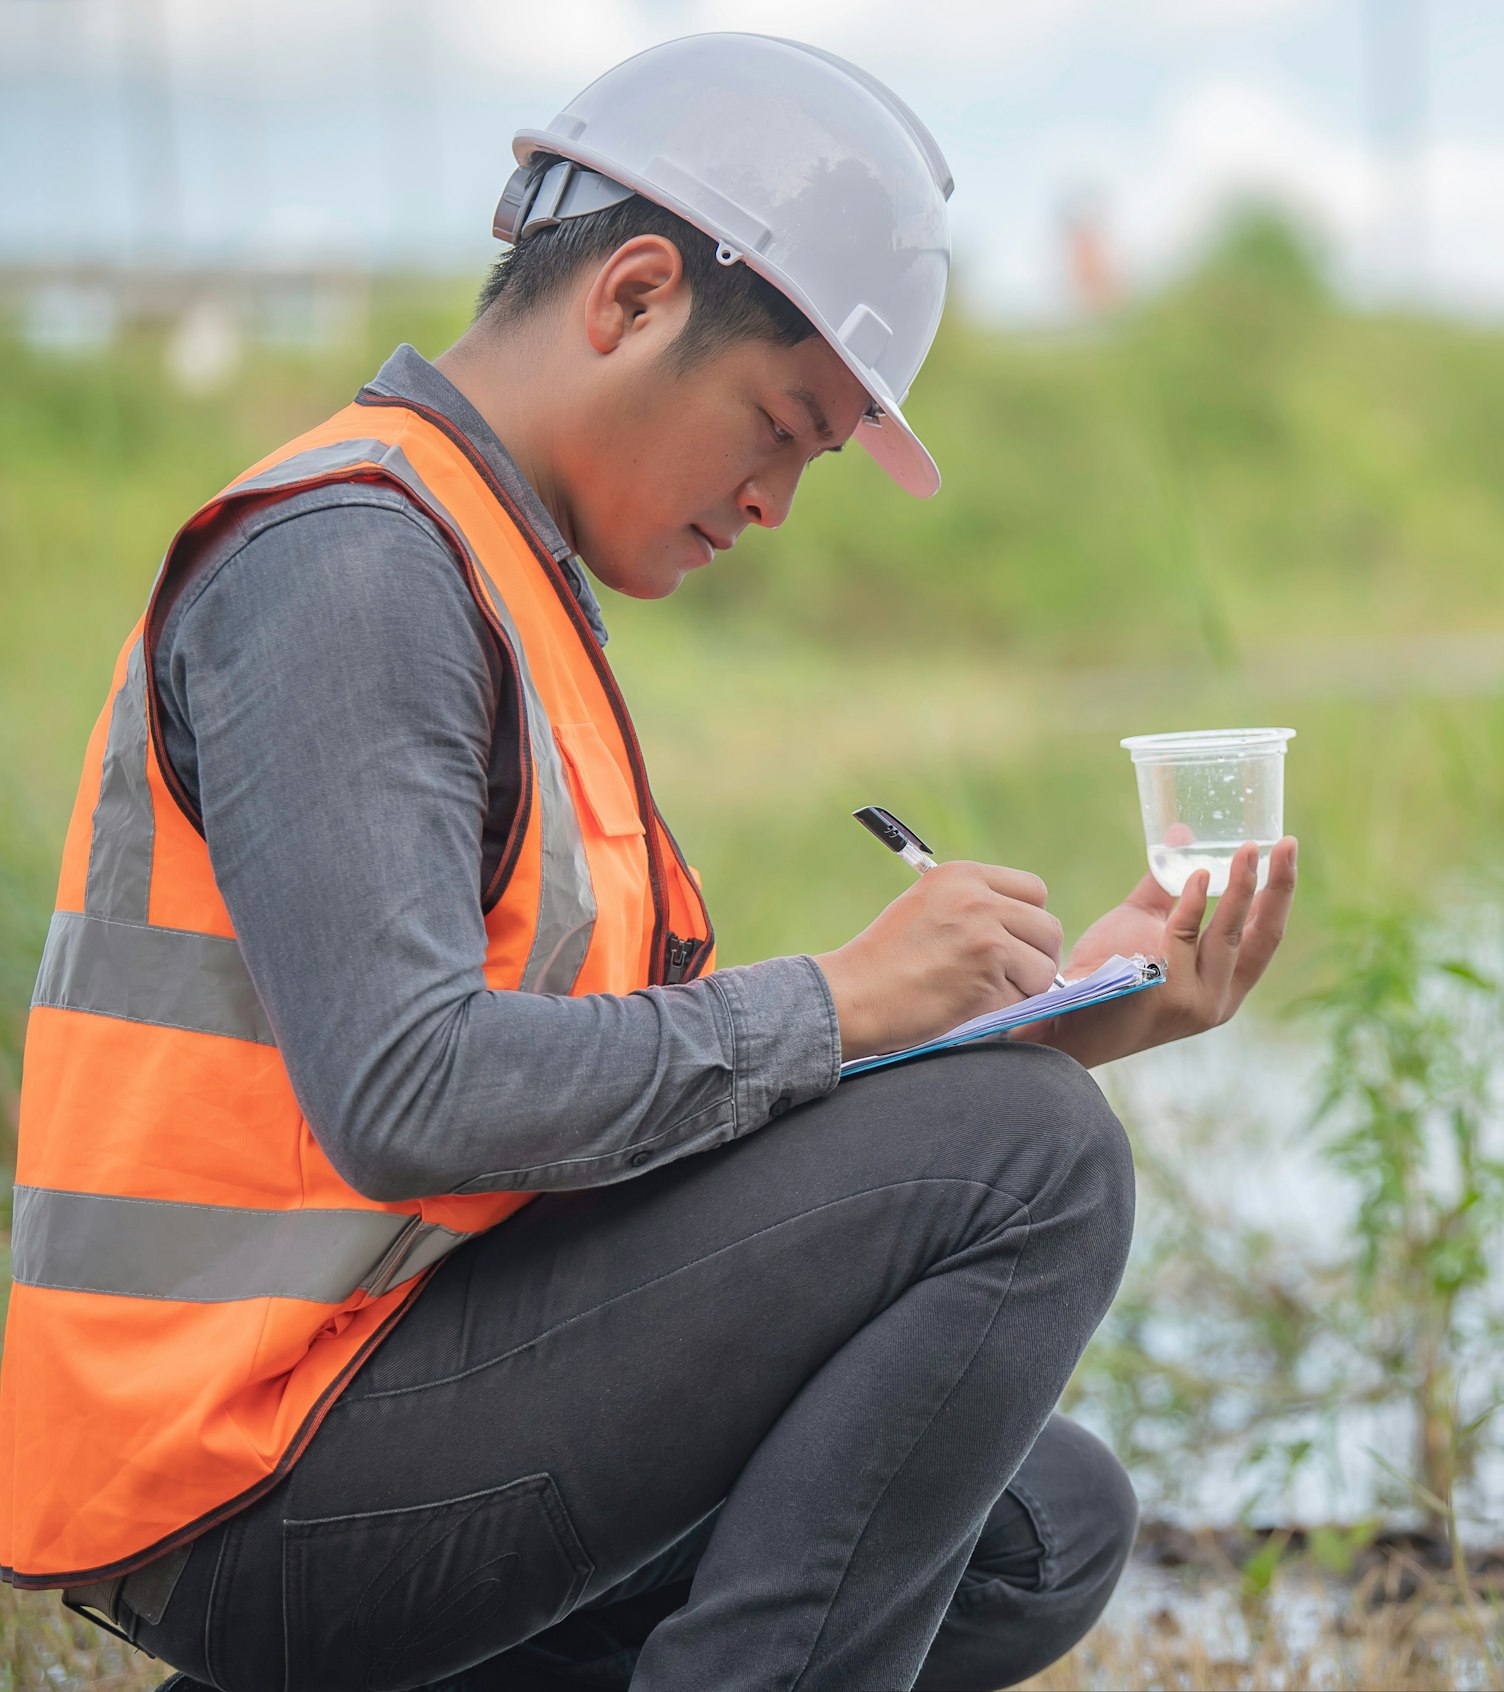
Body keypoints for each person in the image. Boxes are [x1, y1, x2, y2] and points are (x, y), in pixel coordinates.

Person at [0, 32, 1297, 1692]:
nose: (776, 503)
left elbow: (588, 1115)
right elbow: (408, 1093)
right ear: (630, 297)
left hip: (374, 1384)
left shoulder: (505, 578)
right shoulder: (350, 571)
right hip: (238, 1464)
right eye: (780, 424)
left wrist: (1043, 1027)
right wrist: (839, 1002)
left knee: (1042, 1525)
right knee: (1029, 1159)